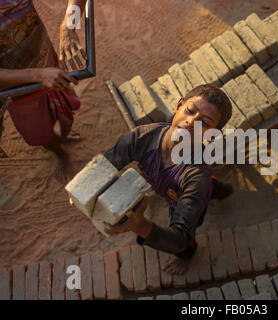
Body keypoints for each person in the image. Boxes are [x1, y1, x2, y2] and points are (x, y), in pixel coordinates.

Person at [103, 84, 234, 275]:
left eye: (205, 123)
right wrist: (86, 188)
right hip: (181, 187)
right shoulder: (142, 137)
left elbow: (180, 238)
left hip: (181, 196)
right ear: (179, 105)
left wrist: (140, 225)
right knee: (209, 187)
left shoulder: (197, 177)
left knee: (191, 226)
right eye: (190, 111)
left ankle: (188, 257)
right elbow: (107, 165)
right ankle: (224, 190)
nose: (191, 122)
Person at [0, 0, 88, 181]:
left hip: (46, 60)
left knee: (52, 106)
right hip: (17, 88)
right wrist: (38, 75)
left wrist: (69, 26)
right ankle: (57, 149)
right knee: (37, 129)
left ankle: (57, 142)